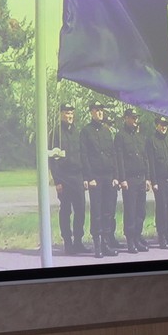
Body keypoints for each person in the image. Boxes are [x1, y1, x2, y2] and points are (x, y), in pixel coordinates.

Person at [79, 101, 119, 258]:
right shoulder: (86, 132)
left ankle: (106, 243)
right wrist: (89, 177)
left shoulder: (106, 131)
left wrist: (115, 176)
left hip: (109, 176)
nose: (100, 113)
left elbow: (113, 154)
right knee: (97, 211)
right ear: (91, 112)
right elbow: (84, 156)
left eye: (101, 110)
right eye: (97, 110)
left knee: (108, 211)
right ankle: (97, 244)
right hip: (95, 177)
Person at [48, 103, 89, 255]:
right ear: (61, 114)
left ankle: (78, 241)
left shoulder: (77, 132)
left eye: (71, 113)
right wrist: (57, 181)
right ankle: (68, 242)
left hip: (77, 176)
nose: (69, 116)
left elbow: (83, 155)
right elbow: (52, 159)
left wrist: (85, 177)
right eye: (66, 113)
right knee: (65, 210)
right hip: (64, 177)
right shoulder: (55, 133)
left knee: (80, 210)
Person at [115, 108, 150, 253]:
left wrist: (148, 178)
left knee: (141, 211)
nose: (136, 120)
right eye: (133, 117)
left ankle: (137, 237)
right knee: (130, 211)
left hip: (141, 178)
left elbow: (145, 158)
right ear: (126, 118)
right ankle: (130, 240)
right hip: (129, 180)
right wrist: (122, 179)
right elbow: (119, 159)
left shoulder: (140, 136)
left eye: (137, 118)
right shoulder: (120, 136)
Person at [146, 116, 168, 249]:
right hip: (160, 180)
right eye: (161, 124)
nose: (164, 127)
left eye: (166, 124)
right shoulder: (152, 140)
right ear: (157, 125)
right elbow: (151, 162)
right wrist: (153, 181)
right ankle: (162, 236)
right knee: (162, 209)